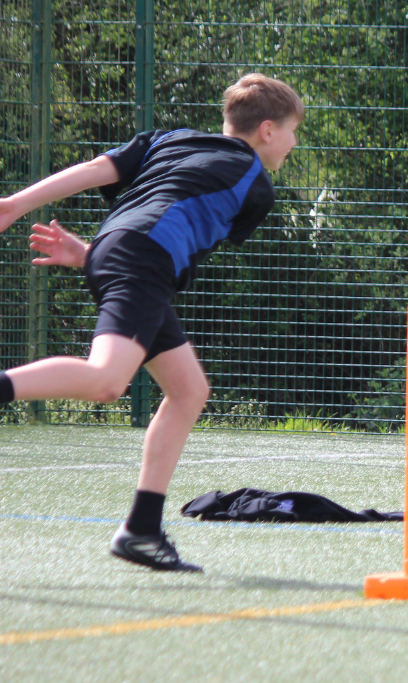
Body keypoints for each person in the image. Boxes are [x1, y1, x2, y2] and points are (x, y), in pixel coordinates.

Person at [0, 73, 303, 571]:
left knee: (188, 390)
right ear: (267, 130)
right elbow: (173, 231)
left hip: (122, 249)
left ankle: (142, 529)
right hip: (144, 260)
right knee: (105, 380)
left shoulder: (171, 138)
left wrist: (18, 205)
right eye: (294, 131)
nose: (294, 143)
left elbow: (96, 170)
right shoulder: (257, 187)